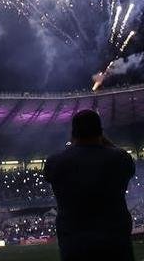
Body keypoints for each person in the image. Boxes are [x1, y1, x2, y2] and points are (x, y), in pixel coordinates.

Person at [43, 109, 137, 261]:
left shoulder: (55, 162)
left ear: (73, 134)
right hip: (115, 244)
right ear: (100, 132)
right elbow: (125, 159)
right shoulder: (119, 158)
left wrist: (73, 144)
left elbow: (50, 174)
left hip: (75, 246)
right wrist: (102, 138)